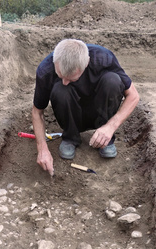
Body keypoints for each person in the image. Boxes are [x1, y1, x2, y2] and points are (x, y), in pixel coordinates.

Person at [31, 39, 140, 176]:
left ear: (86, 64)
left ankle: (104, 138)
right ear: (54, 61)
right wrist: (42, 149)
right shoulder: (45, 70)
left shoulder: (104, 58)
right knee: (60, 89)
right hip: (69, 111)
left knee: (113, 80)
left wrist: (111, 127)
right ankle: (70, 137)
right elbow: (37, 112)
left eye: (71, 79)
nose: (65, 82)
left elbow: (134, 96)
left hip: (99, 110)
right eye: (60, 75)